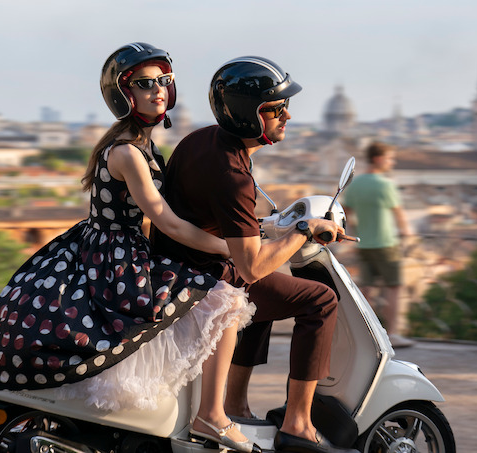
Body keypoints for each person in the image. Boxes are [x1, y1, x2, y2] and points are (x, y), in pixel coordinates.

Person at [0, 43, 258, 453]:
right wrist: (232, 249)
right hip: (117, 258)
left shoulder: (138, 145)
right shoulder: (127, 153)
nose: (158, 90)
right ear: (125, 95)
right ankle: (212, 416)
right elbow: (167, 221)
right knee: (225, 301)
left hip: (109, 249)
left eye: (164, 82)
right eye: (145, 84)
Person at [153, 56, 357, 453]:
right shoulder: (232, 173)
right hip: (200, 278)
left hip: (176, 266)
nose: (288, 116)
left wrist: (266, 227)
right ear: (251, 115)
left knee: (270, 292)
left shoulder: (202, 140)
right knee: (319, 300)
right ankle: (298, 423)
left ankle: (235, 402)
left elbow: (215, 218)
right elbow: (250, 264)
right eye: (277, 109)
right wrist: (304, 230)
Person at [342, 140, 414, 348]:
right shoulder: (386, 185)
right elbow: (399, 215)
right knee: (394, 287)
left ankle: (366, 333)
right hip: (386, 243)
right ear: (379, 159)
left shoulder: (354, 185)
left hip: (363, 243)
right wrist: (407, 233)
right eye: (390, 158)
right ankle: (392, 334)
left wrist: (354, 229)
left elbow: (345, 214)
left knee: (366, 289)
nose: (392, 162)